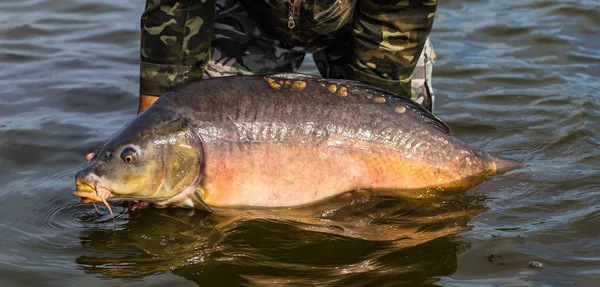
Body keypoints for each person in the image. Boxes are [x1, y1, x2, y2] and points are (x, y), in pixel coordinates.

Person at [86, 0, 437, 162]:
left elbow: (398, 14)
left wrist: (381, 149)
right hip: (249, 15)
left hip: (364, 23)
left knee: (409, 166)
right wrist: (144, 139)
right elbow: (177, 9)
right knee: (198, 140)